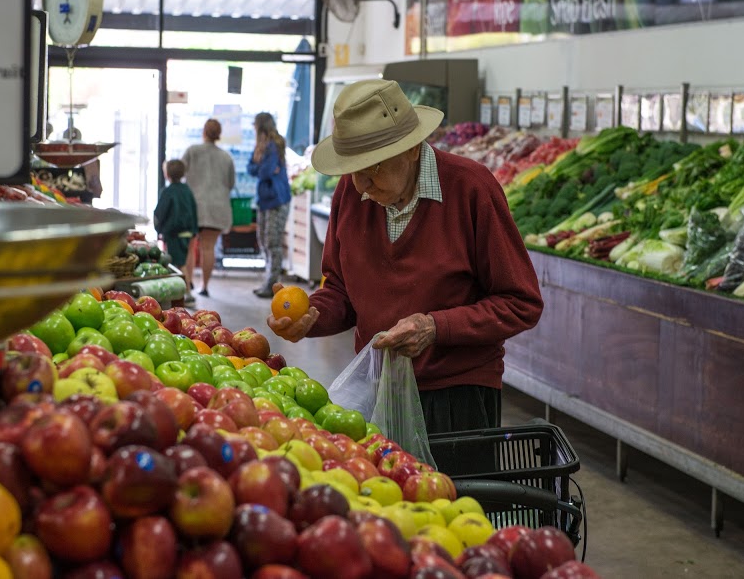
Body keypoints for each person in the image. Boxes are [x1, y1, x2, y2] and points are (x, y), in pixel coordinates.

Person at [266, 79, 543, 433]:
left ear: (413, 149)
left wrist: (435, 327)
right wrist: (312, 315)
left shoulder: (471, 189)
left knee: (453, 490)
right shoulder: (350, 195)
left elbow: (521, 302)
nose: (360, 185)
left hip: (457, 397)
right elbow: (341, 291)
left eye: (372, 168)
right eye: (352, 170)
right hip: (377, 389)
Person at [182, 118, 236, 298]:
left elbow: (179, 174)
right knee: (208, 248)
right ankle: (204, 286)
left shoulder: (192, 151)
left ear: (203, 132)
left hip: (193, 206)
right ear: (219, 134)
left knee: (190, 247)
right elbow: (230, 183)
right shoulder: (226, 157)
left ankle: (188, 282)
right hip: (217, 208)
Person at [247, 112, 292, 299]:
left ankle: (272, 283)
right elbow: (251, 168)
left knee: (272, 242)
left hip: (277, 199)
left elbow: (264, 171)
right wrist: (262, 168)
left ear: (260, 126)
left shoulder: (274, 145)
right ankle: (268, 280)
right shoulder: (261, 146)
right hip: (265, 200)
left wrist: (262, 168)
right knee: (263, 240)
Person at [154, 159, 198, 302]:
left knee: (178, 265)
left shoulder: (168, 192)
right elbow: (194, 210)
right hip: (187, 233)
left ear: (167, 174)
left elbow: (160, 213)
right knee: (182, 262)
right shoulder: (187, 190)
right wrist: (194, 231)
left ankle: (187, 294)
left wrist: (159, 229)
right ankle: (185, 291)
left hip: (174, 234)